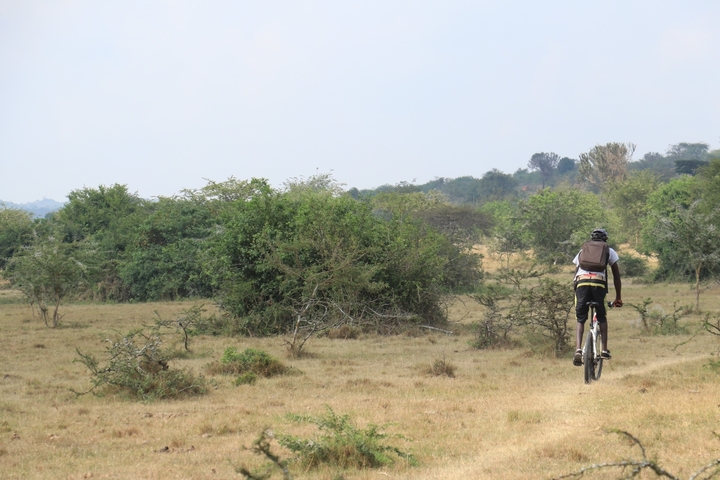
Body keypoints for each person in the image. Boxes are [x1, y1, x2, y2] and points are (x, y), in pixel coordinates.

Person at [572, 228, 622, 366]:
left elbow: (575, 273)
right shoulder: (609, 251)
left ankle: (578, 349)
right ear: (605, 239)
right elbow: (616, 276)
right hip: (598, 284)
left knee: (580, 318)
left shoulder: (583, 250)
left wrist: (575, 292)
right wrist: (618, 297)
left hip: (581, 283)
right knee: (602, 317)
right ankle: (604, 350)